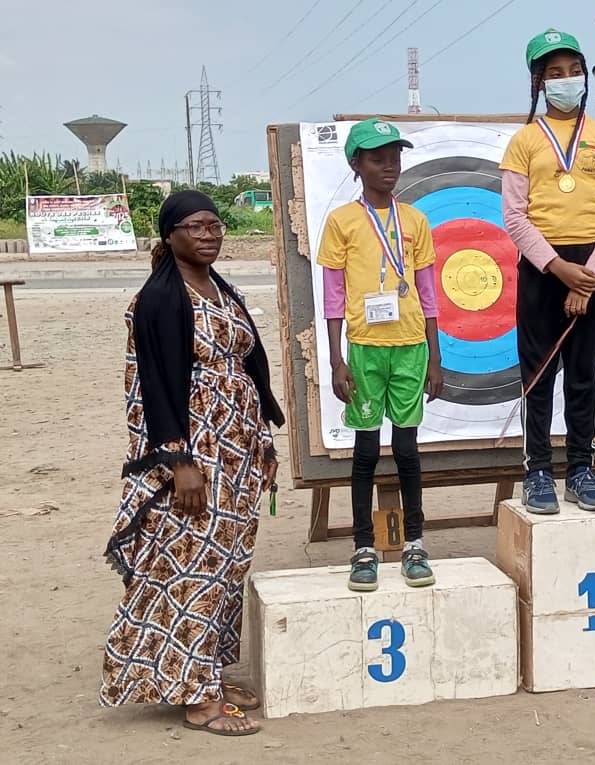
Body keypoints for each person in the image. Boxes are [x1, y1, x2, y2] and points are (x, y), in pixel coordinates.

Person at [100, 190, 285, 736]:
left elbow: (248, 369)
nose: (209, 235)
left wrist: (263, 442)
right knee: (190, 567)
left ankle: (207, 675)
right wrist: (178, 460)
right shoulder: (159, 299)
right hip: (195, 455)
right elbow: (150, 387)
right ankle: (197, 698)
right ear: (170, 235)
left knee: (228, 565)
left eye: (215, 225)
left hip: (237, 452)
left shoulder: (221, 290)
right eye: (196, 226)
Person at [501, 28, 595, 514]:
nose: (566, 80)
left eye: (574, 71)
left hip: (592, 267)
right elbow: (515, 217)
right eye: (554, 73)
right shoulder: (524, 142)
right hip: (543, 269)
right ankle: (537, 471)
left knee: (581, 373)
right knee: (538, 375)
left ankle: (580, 468)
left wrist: (587, 277)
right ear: (538, 82)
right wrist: (559, 269)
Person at [317, 118, 443, 591]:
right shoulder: (342, 222)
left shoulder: (415, 220)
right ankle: (363, 548)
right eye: (377, 158)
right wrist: (337, 360)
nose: (389, 166)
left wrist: (435, 356)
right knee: (366, 451)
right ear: (356, 164)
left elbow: (428, 293)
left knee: (408, 450)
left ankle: (415, 544)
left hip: (410, 348)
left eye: (395, 157)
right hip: (365, 351)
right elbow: (333, 297)